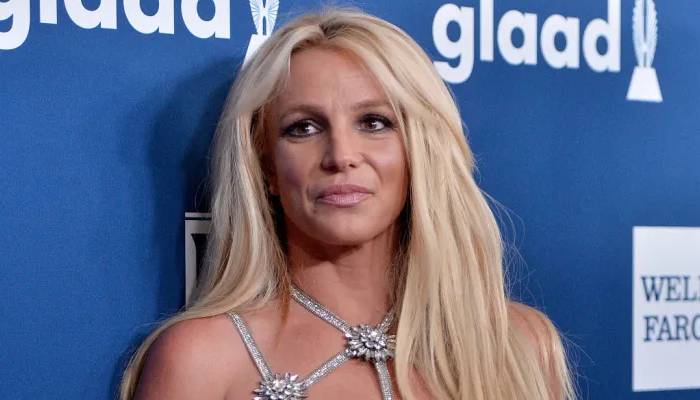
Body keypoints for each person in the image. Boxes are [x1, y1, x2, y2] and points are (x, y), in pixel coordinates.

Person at [119, 6, 577, 400]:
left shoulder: (521, 345)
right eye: (303, 128)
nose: (340, 156)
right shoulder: (200, 360)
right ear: (266, 167)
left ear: (420, 150)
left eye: (374, 123)